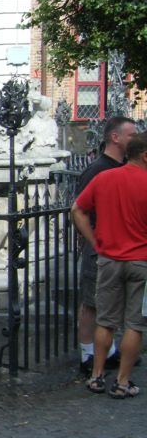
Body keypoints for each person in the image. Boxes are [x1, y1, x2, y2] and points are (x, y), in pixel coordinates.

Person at [72, 132, 147, 398]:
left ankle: (96, 376)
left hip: (109, 259)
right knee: (135, 324)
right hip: (141, 262)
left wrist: (94, 241)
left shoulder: (105, 178)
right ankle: (122, 382)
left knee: (105, 321)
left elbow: (77, 210)